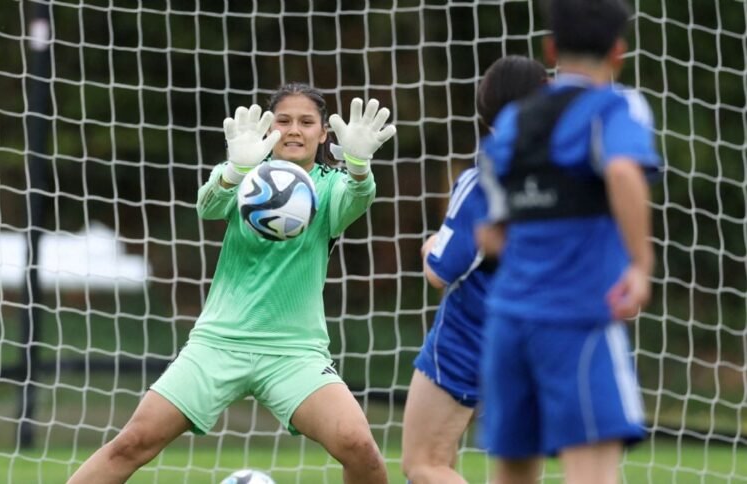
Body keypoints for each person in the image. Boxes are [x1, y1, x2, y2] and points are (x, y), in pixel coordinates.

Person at [67, 83, 396, 484]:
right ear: (269, 128)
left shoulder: (331, 185)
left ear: (324, 133)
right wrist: (234, 170)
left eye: (307, 122)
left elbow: (358, 199)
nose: (294, 130)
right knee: (133, 442)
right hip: (219, 342)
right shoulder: (246, 171)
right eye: (284, 120)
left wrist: (359, 166)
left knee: (359, 447)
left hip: (294, 352)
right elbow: (208, 206)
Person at [474, 0, 661, 483]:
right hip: (577, 319)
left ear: (551, 47)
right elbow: (622, 170)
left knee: (512, 474)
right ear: (619, 52)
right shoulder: (616, 106)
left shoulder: (512, 122)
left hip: (508, 320)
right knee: (592, 474)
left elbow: (491, 232)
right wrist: (640, 265)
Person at [401, 56, 548, 484]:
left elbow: (441, 271)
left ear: (488, 105)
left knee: (425, 464)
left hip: (471, 335)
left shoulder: (485, 177)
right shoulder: (566, 172)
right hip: (541, 337)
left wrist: (430, 245)